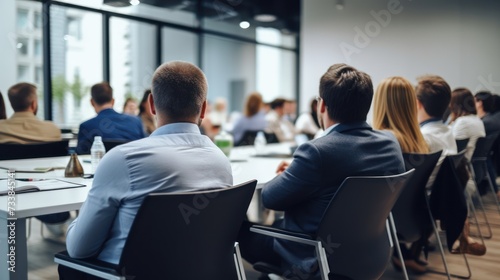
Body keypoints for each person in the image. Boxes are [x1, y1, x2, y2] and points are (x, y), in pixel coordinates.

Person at [61, 61, 233, 279]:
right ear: (204, 108)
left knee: (67, 265)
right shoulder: (220, 160)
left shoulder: (121, 159)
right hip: (196, 271)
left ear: (151, 104)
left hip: (124, 273)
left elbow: (79, 249)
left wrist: (77, 220)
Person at [237, 63, 405, 278]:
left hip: (312, 253)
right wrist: (300, 173)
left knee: (235, 226)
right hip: (370, 252)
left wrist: (288, 176)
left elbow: (270, 199)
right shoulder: (390, 143)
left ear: (322, 105)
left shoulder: (317, 152)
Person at [416, 76, 485, 257]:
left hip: (420, 210)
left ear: (417, 104)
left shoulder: (424, 138)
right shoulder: (448, 133)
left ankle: (408, 255)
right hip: (442, 201)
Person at [373, 76, 430, 273]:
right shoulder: (418, 139)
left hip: (381, 221)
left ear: (380, 103)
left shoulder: (385, 142)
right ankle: (402, 256)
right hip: (413, 220)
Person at [75, 82, 145, 154]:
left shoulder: (86, 127)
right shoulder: (136, 122)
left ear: (92, 102)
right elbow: (144, 150)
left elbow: (80, 157)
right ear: (113, 101)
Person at [474, 91, 500, 199]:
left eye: (474, 101)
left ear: (480, 103)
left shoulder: (484, 123)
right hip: (483, 159)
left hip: (474, 162)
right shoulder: (492, 119)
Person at [449, 88, 485, 162]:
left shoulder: (462, 122)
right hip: (469, 164)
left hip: (460, 164)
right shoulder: (477, 119)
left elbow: (455, 151)